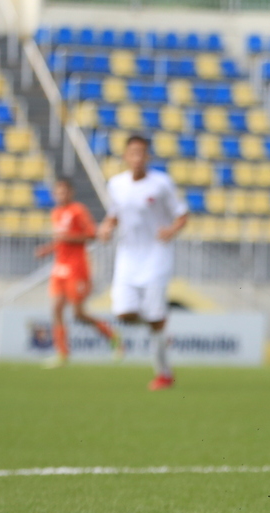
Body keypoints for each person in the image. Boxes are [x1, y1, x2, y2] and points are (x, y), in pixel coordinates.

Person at [98, 135, 189, 391]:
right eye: (133, 152)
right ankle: (157, 325)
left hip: (156, 257)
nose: (137, 157)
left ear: (147, 156)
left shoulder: (161, 184)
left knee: (154, 315)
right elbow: (114, 215)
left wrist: (171, 230)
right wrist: (106, 228)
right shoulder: (116, 184)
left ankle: (164, 374)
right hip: (127, 257)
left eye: (142, 152)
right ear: (126, 156)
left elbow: (182, 214)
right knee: (123, 312)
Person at [34, 177, 120, 366]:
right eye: (58, 192)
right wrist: (47, 249)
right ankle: (62, 354)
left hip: (77, 268)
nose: (61, 195)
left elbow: (92, 234)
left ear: (70, 193)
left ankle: (113, 337)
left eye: (64, 192)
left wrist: (68, 237)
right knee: (56, 308)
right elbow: (60, 241)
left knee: (79, 314)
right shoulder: (56, 212)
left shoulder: (78, 210)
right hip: (60, 268)